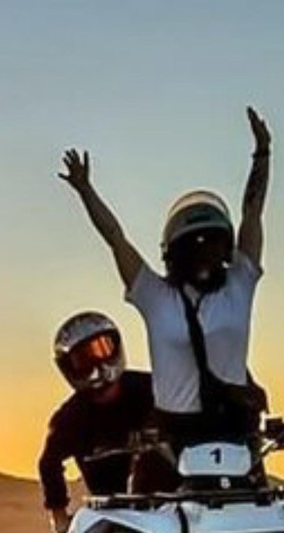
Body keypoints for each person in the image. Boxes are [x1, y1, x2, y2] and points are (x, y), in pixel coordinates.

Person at [59, 108, 272, 449]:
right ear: (176, 253)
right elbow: (115, 238)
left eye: (211, 245)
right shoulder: (156, 296)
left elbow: (252, 213)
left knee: (258, 484)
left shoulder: (238, 285)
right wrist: (86, 190)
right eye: (194, 248)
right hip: (175, 437)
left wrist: (262, 153)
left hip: (234, 429)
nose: (203, 254)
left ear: (224, 247)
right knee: (142, 481)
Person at [39, 312, 156, 533]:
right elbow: (48, 463)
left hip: (173, 502)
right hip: (111, 516)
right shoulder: (70, 418)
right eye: (83, 359)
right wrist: (59, 517)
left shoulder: (154, 390)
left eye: (102, 349)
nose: (97, 363)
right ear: (68, 367)